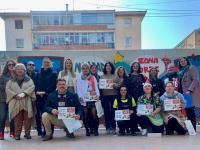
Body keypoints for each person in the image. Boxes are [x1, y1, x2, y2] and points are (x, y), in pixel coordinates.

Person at [6, 63, 36, 140]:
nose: (20, 70)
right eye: (18, 69)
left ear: (24, 70)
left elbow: (32, 87)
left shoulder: (29, 80)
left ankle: (27, 133)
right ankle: (17, 134)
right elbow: (8, 89)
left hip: (26, 101)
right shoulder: (11, 80)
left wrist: (24, 93)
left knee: (27, 118)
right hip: (16, 101)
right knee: (17, 119)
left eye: (21, 69)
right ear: (15, 70)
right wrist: (15, 95)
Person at [35, 57, 57, 136]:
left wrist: (45, 92)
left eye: (48, 62)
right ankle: (40, 131)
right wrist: (37, 92)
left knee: (48, 114)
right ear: (42, 64)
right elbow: (36, 84)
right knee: (40, 115)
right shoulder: (38, 73)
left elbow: (53, 86)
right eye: (45, 62)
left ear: (50, 64)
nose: (46, 64)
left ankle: (49, 132)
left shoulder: (54, 73)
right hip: (39, 97)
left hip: (49, 97)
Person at [77, 63, 100, 136]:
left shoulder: (93, 77)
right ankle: (87, 130)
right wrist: (80, 97)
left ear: (88, 69)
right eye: (83, 68)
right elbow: (78, 89)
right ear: (82, 69)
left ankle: (95, 129)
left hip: (93, 99)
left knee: (94, 114)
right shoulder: (79, 78)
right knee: (86, 115)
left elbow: (96, 88)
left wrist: (98, 95)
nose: (85, 70)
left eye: (86, 68)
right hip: (84, 99)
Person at [178, 57, 200, 131]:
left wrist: (189, 90)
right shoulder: (181, 71)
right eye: (181, 61)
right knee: (186, 111)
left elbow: (195, 79)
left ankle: (193, 129)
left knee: (190, 111)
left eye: (184, 60)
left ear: (187, 61)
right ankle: (189, 128)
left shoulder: (191, 68)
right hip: (183, 94)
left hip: (189, 94)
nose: (183, 62)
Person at [100, 62, 118, 134]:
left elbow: (119, 85)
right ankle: (107, 127)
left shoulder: (115, 76)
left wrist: (115, 85)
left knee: (113, 112)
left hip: (114, 95)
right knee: (106, 112)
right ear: (105, 68)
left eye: (109, 66)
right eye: (106, 66)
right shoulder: (102, 76)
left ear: (111, 67)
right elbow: (100, 87)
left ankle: (113, 127)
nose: (108, 67)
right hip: (105, 96)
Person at [0, 60, 16, 140]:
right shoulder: (2, 76)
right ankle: (1, 133)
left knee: (12, 117)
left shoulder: (17, 76)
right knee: (2, 117)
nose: (11, 66)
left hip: (13, 99)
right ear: (7, 66)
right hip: (3, 99)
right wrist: (9, 87)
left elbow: (18, 87)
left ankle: (12, 132)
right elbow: (1, 87)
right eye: (9, 64)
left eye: (13, 64)